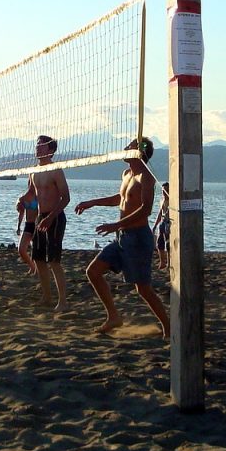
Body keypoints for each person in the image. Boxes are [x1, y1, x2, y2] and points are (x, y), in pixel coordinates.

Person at [75, 138, 170, 338]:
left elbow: (146, 209)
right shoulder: (127, 173)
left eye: (130, 146)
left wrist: (116, 225)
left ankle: (168, 327)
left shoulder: (146, 177)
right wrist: (92, 202)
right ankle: (114, 316)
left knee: (143, 289)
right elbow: (121, 198)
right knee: (93, 271)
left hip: (138, 238)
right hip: (122, 237)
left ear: (139, 152)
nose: (125, 149)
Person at [17, 135, 69, 312]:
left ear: (51, 150)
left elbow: (66, 198)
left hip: (55, 217)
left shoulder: (56, 170)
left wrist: (51, 217)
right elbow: (31, 193)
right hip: (41, 217)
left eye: (42, 145)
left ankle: (62, 302)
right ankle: (47, 297)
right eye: (37, 145)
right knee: (38, 259)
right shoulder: (33, 171)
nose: (38, 148)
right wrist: (21, 200)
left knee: (54, 261)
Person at [16, 192, 38, 275]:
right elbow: (21, 213)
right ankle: (32, 266)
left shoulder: (38, 196)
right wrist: (18, 226)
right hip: (28, 224)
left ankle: (36, 269)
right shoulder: (24, 197)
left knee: (35, 249)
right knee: (21, 249)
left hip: (37, 224)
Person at [152, 181, 171, 271]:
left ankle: (169, 262)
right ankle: (162, 262)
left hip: (168, 222)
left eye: (166, 190)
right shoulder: (162, 200)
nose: (164, 192)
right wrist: (155, 225)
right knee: (159, 243)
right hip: (162, 222)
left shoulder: (172, 200)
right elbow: (160, 213)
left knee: (168, 243)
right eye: (163, 190)